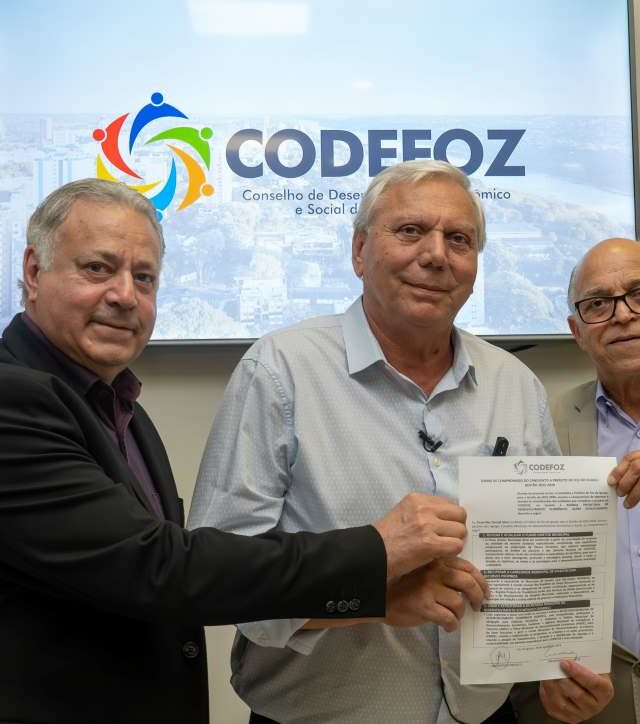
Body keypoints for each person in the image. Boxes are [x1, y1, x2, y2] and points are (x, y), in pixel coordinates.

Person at [0, 178, 489, 724]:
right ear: (34, 270)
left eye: (144, 278)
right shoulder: (13, 400)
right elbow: (162, 567)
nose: (124, 296)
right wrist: (378, 550)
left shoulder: (118, 406)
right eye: (97, 268)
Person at [190, 160, 614, 723]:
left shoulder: (514, 385)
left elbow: (544, 563)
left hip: (484, 715)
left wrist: (556, 670)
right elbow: (220, 578)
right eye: (411, 231)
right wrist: (373, 593)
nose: (436, 254)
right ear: (359, 251)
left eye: (459, 239)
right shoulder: (279, 371)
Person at [511, 237, 640, 723]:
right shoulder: (534, 425)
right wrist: (541, 668)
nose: (623, 315)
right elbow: (517, 573)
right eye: (598, 304)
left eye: (638, 293)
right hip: (586, 698)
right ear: (577, 331)